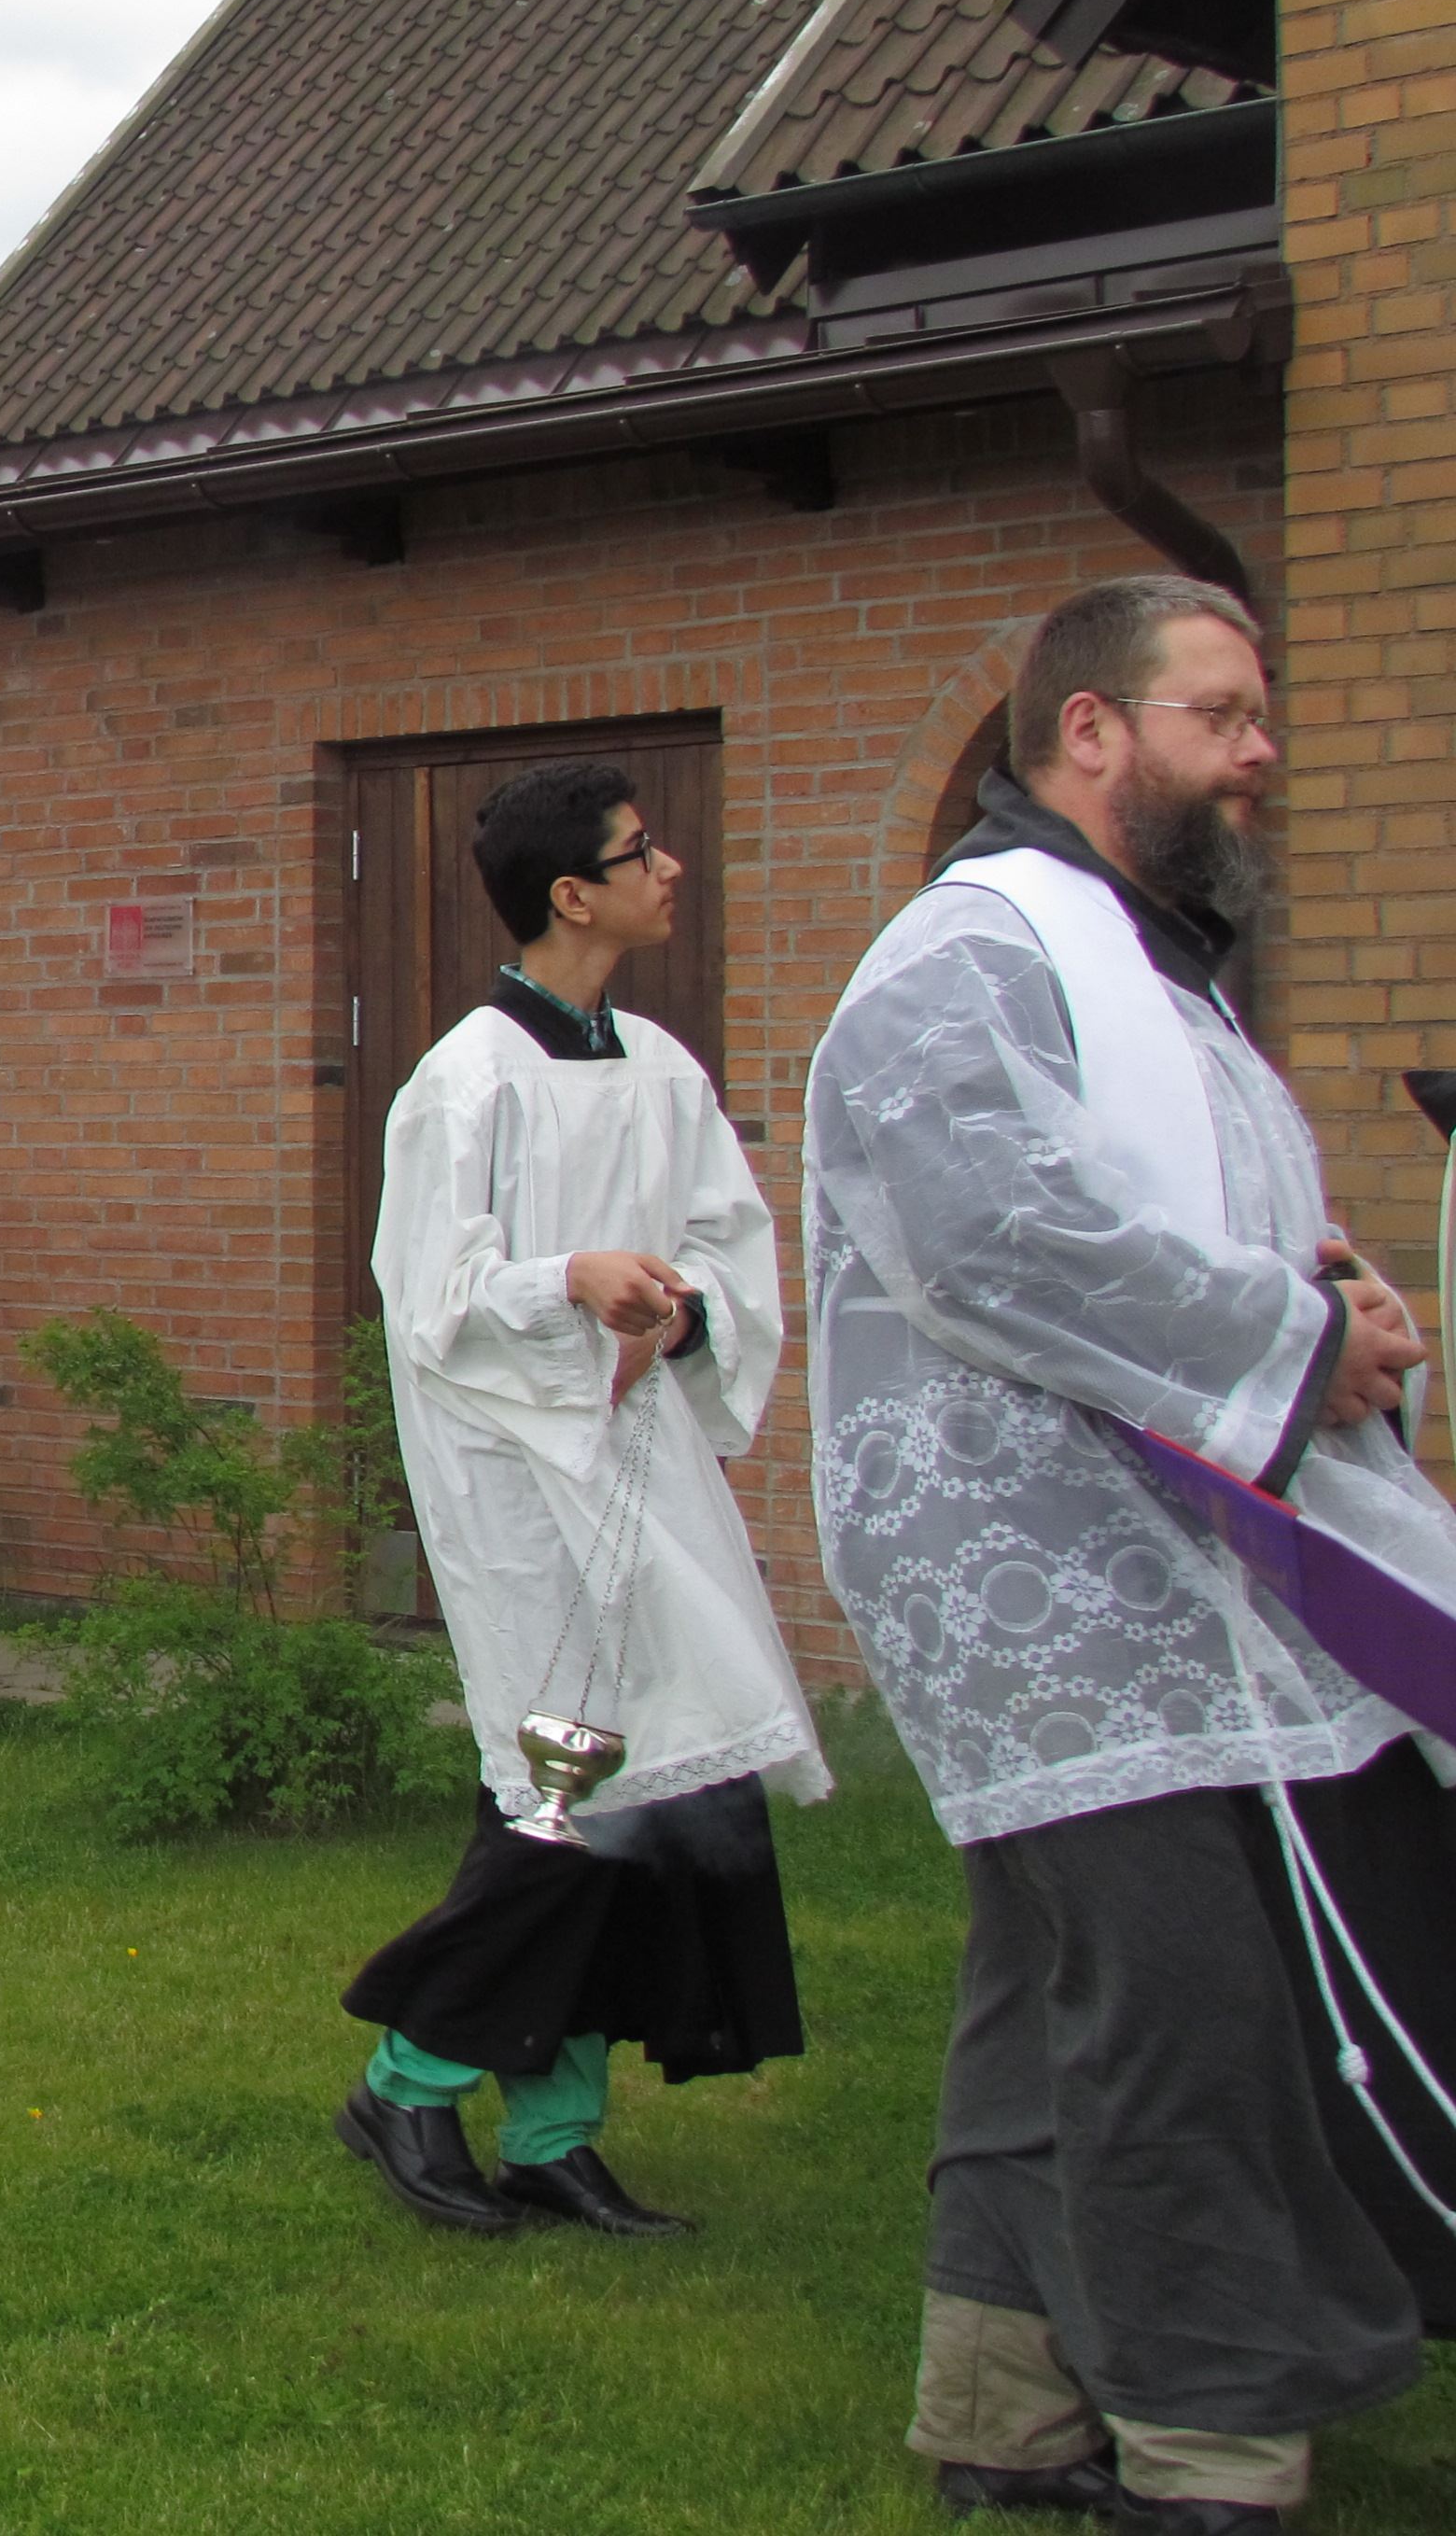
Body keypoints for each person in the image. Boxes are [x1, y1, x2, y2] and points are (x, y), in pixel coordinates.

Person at [808, 574, 1456, 2529]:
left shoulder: (1163, 980)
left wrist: (1338, 1306)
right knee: (1196, 2003)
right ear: (1092, 730)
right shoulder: (974, 953)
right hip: (1056, 1574)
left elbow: (1180, 1231)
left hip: (1180, 1563)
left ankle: (1001, 2414)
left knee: (1062, 1985)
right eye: (1224, 714)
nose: (1261, 756)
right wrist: (1290, 1346)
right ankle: (1211, 2446)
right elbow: (981, 1234)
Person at [334, 761, 819, 2246]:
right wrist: (572, 1279)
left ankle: (553, 2131)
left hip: (634, 1464)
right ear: (571, 894)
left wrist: (677, 1319)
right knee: (564, 1789)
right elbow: (430, 1295)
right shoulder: (467, 1081)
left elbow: (730, 1246)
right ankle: (407, 2079)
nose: (669, 868)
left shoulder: (661, 1069)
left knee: (654, 1786)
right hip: (511, 1479)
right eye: (640, 852)